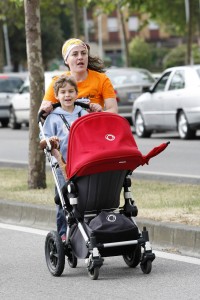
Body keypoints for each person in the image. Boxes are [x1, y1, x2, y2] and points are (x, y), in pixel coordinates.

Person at [40, 75, 88, 242]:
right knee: (64, 201)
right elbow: (44, 139)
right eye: (63, 92)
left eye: (70, 91)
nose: (67, 95)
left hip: (84, 162)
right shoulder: (53, 117)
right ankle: (63, 233)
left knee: (85, 197)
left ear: (76, 93)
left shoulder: (83, 112)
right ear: (57, 95)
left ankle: (87, 227)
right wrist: (50, 141)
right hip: (62, 165)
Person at [40, 38, 118, 114]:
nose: (80, 57)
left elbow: (113, 111)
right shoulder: (58, 82)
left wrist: (99, 113)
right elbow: (41, 115)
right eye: (75, 54)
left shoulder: (102, 79)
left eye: (83, 53)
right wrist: (46, 110)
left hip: (94, 125)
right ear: (66, 60)